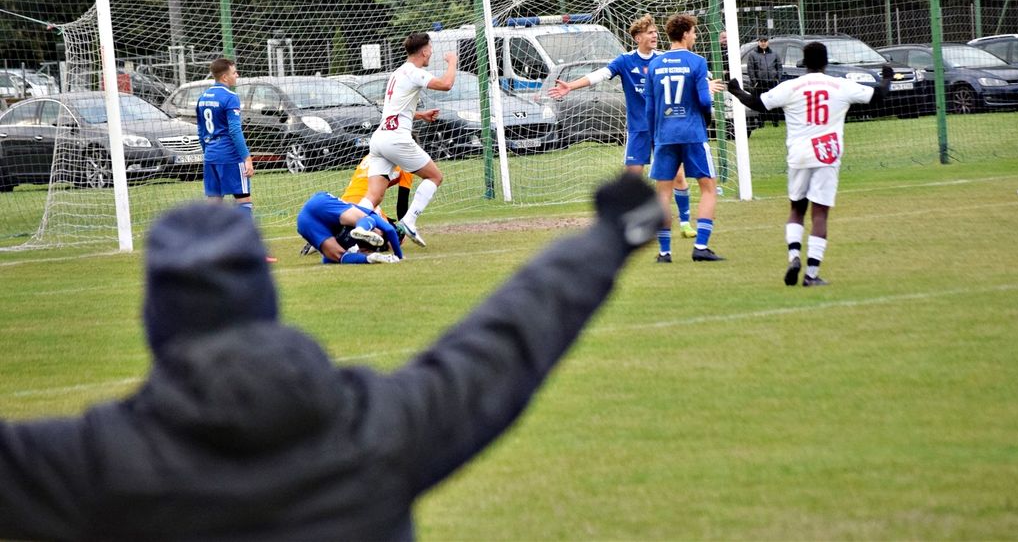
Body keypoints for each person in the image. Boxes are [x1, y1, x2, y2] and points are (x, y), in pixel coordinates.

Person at [0, 173, 664, 538]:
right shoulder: (376, 429)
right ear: (265, 301)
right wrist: (609, 239)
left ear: (154, 322)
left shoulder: (95, 462)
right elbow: (505, 338)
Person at [728, 42, 892, 286]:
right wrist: (887, 77)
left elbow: (758, 104)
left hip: (799, 154)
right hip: (827, 153)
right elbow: (878, 95)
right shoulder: (840, 85)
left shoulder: (792, 86)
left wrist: (736, 90)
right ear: (826, 62)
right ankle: (811, 274)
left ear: (804, 62)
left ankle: (794, 256)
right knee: (820, 213)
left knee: (796, 209)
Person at [549, 14, 707, 238]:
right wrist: (571, 86)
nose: (655, 36)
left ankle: (684, 223)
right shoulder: (625, 61)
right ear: (637, 37)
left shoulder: (663, 59)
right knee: (631, 179)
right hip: (638, 131)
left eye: (655, 32)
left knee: (678, 176)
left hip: (663, 130)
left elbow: (691, 76)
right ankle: (625, 222)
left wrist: (705, 84)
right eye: (650, 33)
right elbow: (599, 75)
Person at [644, 13, 724, 262]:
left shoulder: (655, 64)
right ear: (686, 33)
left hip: (664, 135)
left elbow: (649, 107)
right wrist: (707, 118)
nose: (696, 36)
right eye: (694, 32)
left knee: (662, 194)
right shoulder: (697, 62)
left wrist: (654, 136)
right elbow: (703, 99)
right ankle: (700, 247)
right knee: (709, 188)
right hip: (692, 133)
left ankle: (664, 252)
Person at [363, 32, 455, 247]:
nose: (431, 52)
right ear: (424, 51)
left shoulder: (397, 73)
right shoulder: (414, 72)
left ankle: (353, 228)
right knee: (435, 177)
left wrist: (421, 115)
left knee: (373, 196)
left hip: (379, 139)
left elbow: (393, 111)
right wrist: (452, 62)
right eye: (430, 48)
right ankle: (409, 221)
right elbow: (446, 84)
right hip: (396, 140)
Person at [196, 58, 276, 261]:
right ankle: (250, 250)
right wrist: (247, 157)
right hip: (230, 155)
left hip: (211, 155)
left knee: (214, 202)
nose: (237, 75)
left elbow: (200, 130)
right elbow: (234, 130)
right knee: (243, 200)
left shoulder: (203, 97)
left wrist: (209, 151)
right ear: (224, 76)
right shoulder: (230, 97)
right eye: (234, 72)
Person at [296, 191, 403, 264]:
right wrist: (399, 256)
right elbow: (389, 230)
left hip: (305, 219)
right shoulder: (352, 241)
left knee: (340, 257)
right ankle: (365, 246)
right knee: (339, 256)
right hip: (316, 213)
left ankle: (370, 257)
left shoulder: (371, 222)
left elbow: (389, 230)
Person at [745, 35, 782, 128]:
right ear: (758, 42)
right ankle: (761, 122)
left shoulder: (774, 54)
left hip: (772, 82)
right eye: (761, 41)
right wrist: (754, 81)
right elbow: (750, 69)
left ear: (768, 42)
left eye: (765, 41)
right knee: (760, 103)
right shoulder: (753, 54)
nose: (763, 43)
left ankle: (775, 122)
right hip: (760, 82)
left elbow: (779, 67)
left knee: (774, 102)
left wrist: (777, 79)